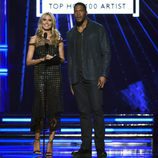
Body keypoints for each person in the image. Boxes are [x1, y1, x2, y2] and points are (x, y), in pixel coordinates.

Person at [67, 2, 111, 158]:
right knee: (84, 114)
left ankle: (100, 149)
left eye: (81, 11)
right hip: (78, 80)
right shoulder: (71, 33)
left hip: (94, 77)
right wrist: (71, 80)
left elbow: (106, 52)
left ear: (86, 12)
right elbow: (70, 59)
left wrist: (103, 74)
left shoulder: (97, 29)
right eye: (75, 11)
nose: (78, 14)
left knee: (98, 112)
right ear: (73, 14)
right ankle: (85, 149)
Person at [26, 12, 64, 156]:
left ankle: (50, 142)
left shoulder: (58, 39)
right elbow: (29, 62)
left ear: (53, 23)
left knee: (53, 108)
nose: (47, 22)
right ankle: (36, 139)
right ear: (41, 22)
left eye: (49, 20)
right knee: (40, 107)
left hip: (55, 75)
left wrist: (53, 58)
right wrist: (42, 59)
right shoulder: (34, 39)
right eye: (44, 20)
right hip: (40, 75)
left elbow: (62, 59)